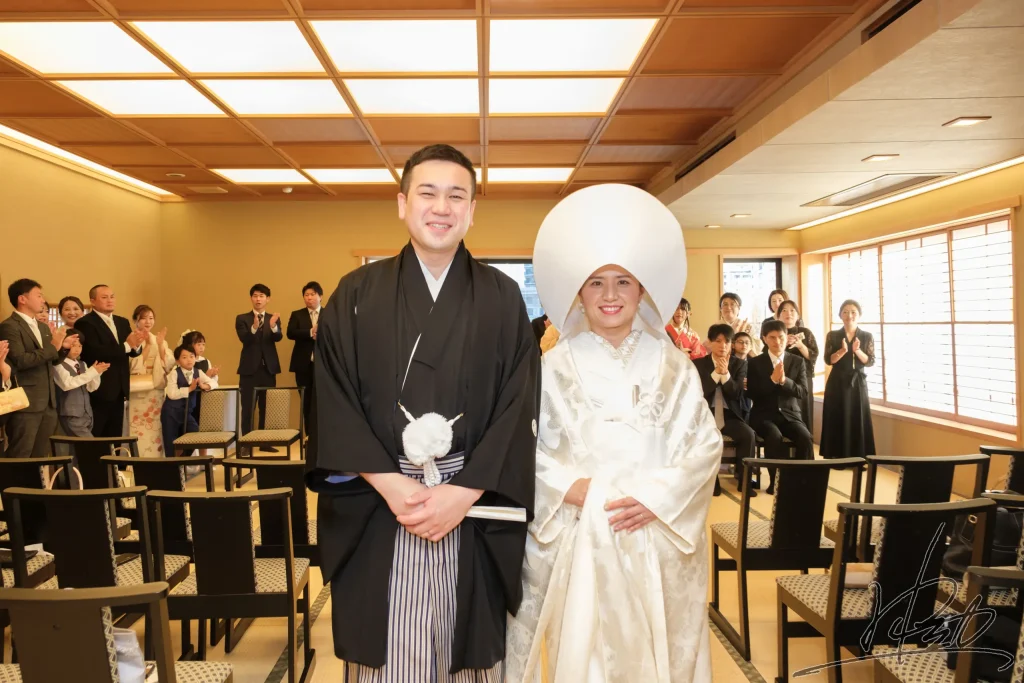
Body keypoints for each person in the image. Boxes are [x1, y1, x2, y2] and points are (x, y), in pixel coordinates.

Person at [307, 143, 539, 681]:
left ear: (472, 210)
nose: (441, 207)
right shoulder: (355, 294)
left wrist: (463, 492)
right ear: (402, 203)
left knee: (468, 656)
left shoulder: (503, 297)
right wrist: (393, 487)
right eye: (427, 193)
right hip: (380, 500)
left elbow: (518, 403)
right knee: (390, 657)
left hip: (471, 502)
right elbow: (333, 398)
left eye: (456, 196)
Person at [506, 183, 720, 683]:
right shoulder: (552, 366)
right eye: (596, 282)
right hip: (580, 533)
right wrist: (570, 488)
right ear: (578, 293)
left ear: (642, 290)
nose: (609, 295)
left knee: (657, 653)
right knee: (586, 657)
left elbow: (705, 446)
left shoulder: (673, 366)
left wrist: (656, 497)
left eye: (623, 281)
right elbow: (524, 447)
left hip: (656, 531)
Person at [0, 279, 74, 457]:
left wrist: (63, 348)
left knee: (41, 455)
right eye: (38, 295)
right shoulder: (9, 326)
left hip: (48, 401)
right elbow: (21, 360)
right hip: (25, 402)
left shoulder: (42, 327)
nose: (43, 300)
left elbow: (50, 360)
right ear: (22, 299)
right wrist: (53, 347)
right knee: (20, 454)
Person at [746, 320, 813, 495]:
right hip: (763, 415)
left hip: (790, 414)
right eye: (772, 338)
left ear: (787, 337)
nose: (778, 342)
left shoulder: (797, 361)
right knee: (774, 436)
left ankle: (802, 481)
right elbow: (752, 393)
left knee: (805, 437)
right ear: (764, 339)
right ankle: (776, 482)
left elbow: (803, 392)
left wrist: (784, 381)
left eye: (781, 337)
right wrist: (772, 380)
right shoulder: (755, 363)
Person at [694, 323, 757, 498]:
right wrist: (716, 374)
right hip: (706, 416)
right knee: (703, 436)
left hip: (730, 415)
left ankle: (744, 482)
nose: (723, 345)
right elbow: (701, 392)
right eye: (718, 341)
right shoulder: (698, 364)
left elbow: (737, 394)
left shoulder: (739, 365)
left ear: (731, 344)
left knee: (748, 435)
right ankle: (712, 482)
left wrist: (726, 375)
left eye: (727, 342)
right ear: (710, 342)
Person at [75, 285, 146, 438]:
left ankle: (115, 455)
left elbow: (131, 351)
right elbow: (94, 352)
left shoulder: (122, 322)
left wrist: (137, 345)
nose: (110, 300)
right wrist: (127, 345)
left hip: (120, 388)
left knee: (116, 435)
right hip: (100, 387)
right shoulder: (85, 323)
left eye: (112, 297)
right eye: (104, 297)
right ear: (92, 301)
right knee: (97, 434)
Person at [820, 299, 876, 459]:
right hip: (837, 382)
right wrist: (842, 351)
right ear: (840, 315)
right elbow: (828, 360)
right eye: (845, 312)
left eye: (853, 312)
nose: (849, 315)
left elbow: (870, 361)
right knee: (836, 417)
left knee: (858, 417)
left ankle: (858, 457)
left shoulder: (866, 336)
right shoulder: (833, 335)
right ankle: (836, 457)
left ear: (859, 315)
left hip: (857, 382)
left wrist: (857, 351)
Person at [235, 284, 282, 450]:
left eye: (262, 296)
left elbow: (278, 337)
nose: (258, 299)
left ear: (268, 299)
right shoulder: (242, 318)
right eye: (255, 296)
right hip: (249, 370)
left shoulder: (273, 318)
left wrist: (273, 326)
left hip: (268, 369)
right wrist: (254, 327)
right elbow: (244, 339)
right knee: (248, 408)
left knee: (266, 408)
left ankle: (264, 442)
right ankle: (246, 444)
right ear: (251, 298)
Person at [127, 305, 176, 456]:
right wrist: (147, 345)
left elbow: (168, 364)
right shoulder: (130, 339)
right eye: (143, 318)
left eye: (151, 318)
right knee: (137, 429)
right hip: (137, 391)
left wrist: (160, 345)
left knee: (156, 429)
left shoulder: (159, 340)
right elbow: (132, 366)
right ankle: (137, 461)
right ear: (135, 320)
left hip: (155, 392)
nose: (148, 322)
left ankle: (156, 461)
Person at [160, 344, 217, 456]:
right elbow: (171, 393)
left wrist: (205, 386)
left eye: (191, 356)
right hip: (171, 412)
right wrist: (189, 389)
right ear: (178, 361)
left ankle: (182, 460)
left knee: (195, 434)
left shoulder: (198, 372)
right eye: (184, 357)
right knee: (170, 441)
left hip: (186, 412)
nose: (189, 360)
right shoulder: (174, 373)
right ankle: (172, 465)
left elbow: (214, 383)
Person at [53, 329, 109, 437]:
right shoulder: (58, 364)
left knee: (80, 446)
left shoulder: (82, 364)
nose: (77, 349)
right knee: (89, 443)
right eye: (73, 345)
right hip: (70, 413)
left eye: (80, 346)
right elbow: (67, 384)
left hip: (86, 413)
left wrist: (96, 373)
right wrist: (92, 372)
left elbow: (91, 388)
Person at [777, 300, 818, 432]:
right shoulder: (776, 332)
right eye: (784, 310)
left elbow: (813, 356)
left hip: (802, 378)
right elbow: (768, 353)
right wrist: (783, 343)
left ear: (798, 315)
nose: (788, 313)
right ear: (778, 315)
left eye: (792, 310)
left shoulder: (805, 332)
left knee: (803, 411)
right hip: (781, 376)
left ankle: (804, 441)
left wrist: (800, 345)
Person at [286, 281, 322, 432]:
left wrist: (321, 334)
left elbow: (337, 334)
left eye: (312, 294)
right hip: (303, 365)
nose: (309, 297)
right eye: (306, 295)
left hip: (324, 366)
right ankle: (309, 436)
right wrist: (309, 332)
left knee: (322, 402)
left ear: (320, 296)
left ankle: (323, 436)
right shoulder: (297, 314)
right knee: (306, 401)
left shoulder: (329, 313)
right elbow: (290, 333)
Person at [711, 292, 762, 357]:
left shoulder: (747, 327)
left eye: (732, 304)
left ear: (739, 309)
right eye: (725, 304)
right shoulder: (716, 327)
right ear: (720, 309)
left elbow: (757, 348)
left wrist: (744, 339)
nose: (728, 307)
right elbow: (709, 347)